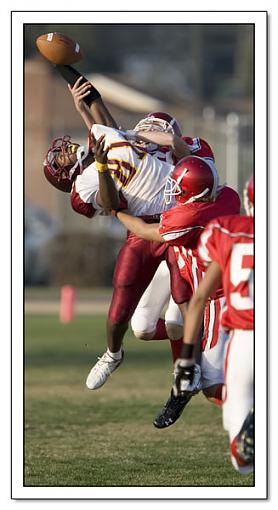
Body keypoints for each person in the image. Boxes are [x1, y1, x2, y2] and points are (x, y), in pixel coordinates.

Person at [44, 70, 218, 391]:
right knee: (139, 324)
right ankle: (114, 353)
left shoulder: (188, 147)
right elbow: (109, 155)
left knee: (181, 313)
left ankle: (186, 371)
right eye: (145, 128)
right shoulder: (89, 181)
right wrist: (86, 110)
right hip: (142, 231)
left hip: (181, 228)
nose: (147, 132)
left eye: (156, 128)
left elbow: (187, 158)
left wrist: (74, 83)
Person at [114, 156, 241, 428]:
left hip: (212, 297)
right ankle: (185, 380)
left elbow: (145, 231)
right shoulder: (227, 196)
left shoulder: (189, 216)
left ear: (196, 193)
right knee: (153, 326)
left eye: (179, 189)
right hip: (191, 281)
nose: (173, 192)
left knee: (212, 384)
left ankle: (246, 406)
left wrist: (116, 211)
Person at [173, 175, 254, 474]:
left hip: (244, 342)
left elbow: (197, 300)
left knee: (242, 461)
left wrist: (185, 360)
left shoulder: (229, 233)